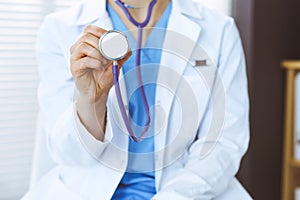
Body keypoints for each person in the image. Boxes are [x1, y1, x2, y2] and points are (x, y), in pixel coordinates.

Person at [23, 0, 251, 199]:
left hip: (188, 191)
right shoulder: (60, 29)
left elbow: (224, 142)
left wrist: (175, 197)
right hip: (86, 190)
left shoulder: (219, 30)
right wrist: (90, 99)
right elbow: (70, 154)